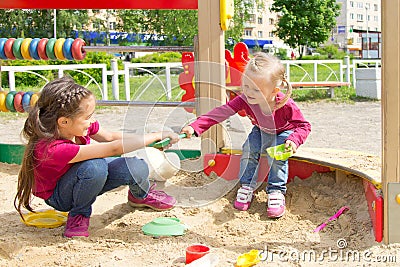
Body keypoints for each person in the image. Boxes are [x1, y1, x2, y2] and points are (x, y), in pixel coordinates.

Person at [14, 76, 180, 238]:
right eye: (87, 117)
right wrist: (155, 136)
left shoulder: (77, 126)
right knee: (95, 166)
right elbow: (113, 148)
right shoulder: (51, 149)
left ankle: (140, 195)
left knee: (137, 166)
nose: (92, 121)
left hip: (85, 178)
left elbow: (110, 137)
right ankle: (79, 214)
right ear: (64, 122)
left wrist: (149, 139)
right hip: (61, 196)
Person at [181, 53, 311, 218]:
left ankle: (276, 191)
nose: (248, 92)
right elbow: (221, 112)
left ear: (274, 91)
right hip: (261, 130)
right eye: (246, 86)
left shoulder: (285, 105)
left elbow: (304, 125)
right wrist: (195, 127)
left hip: (284, 132)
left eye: (256, 90)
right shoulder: (245, 99)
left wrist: (294, 140)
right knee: (249, 149)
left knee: (278, 156)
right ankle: (247, 186)